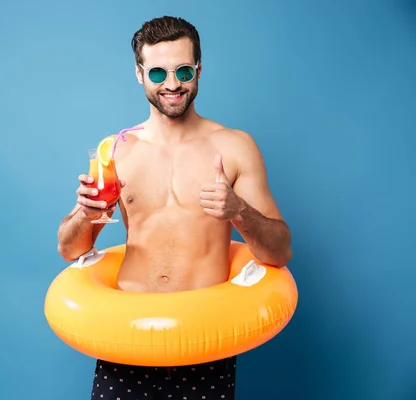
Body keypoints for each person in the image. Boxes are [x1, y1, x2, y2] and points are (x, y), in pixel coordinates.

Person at [57, 15, 292, 400]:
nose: (172, 84)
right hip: (126, 339)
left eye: (183, 70)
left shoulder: (234, 147)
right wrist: (85, 213)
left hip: (205, 340)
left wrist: (238, 211)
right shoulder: (116, 151)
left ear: (198, 68)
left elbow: (280, 251)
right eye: (158, 73)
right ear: (139, 73)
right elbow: (71, 250)